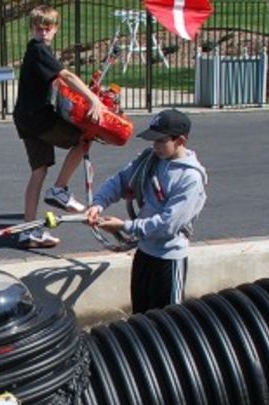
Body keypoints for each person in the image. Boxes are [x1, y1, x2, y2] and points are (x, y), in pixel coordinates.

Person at [86, 108, 207, 314]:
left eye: (161, 141)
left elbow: (168, 225)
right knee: (140, 316)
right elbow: (121, 181)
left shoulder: (190, 178)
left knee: (169, 322)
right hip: (144, 253)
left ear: (180, 140)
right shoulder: (150, 159)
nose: (155, 146)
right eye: (153, 140)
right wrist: (98, 204)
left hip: (169, 259)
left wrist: (124, 226)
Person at [13, 4, 104, 249]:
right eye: (39, 28)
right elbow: (67, 77)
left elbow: (57, 84)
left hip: (27, 117)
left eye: (48, 28)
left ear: (55, 29)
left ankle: (28, 229)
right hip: (38, 118)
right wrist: (93, 99)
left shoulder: (36, 51)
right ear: (32, 29)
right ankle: (59, 189)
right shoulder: (39, 50)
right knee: (83, 139)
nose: (43, 32)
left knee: (38, 170)